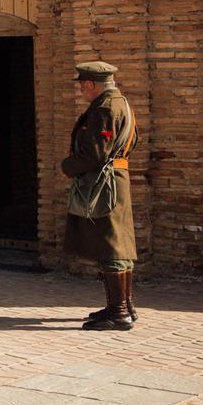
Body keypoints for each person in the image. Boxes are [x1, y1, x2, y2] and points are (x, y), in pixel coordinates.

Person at [61, 61, 139, 331]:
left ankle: (118, 312)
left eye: (83, 84)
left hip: (104, 183)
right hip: (117, 178)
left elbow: (95, 153)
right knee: (120, 242)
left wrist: (68, 166)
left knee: (111, 244)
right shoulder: (122, 103)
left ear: (90, 84)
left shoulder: (105, 108)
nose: (81, 89)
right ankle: (123, 305)